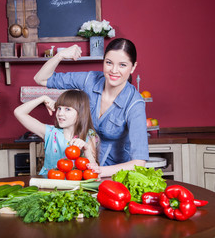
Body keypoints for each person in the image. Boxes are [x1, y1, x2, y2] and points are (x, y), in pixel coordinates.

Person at [34, 38, 149, 177]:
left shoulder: (134, 104)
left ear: (133, 67)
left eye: (122, 65)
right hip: (79, 169)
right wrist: (61, 55)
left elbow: (139, 162)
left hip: (114, 174)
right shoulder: (89, 79)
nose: (114, 70)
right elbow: (40, 79)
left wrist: (100, 171)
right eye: (109, 63)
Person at [14, 90, 98, 176]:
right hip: (49, 183)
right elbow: (19, 112)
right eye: (59, 108)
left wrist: (87, 149)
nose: (60, 113)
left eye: (67, 109)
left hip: (75, 185)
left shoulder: (89, 135)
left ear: (81, 113)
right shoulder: (50, 132)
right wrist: (43, 98)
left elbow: (94, 171)